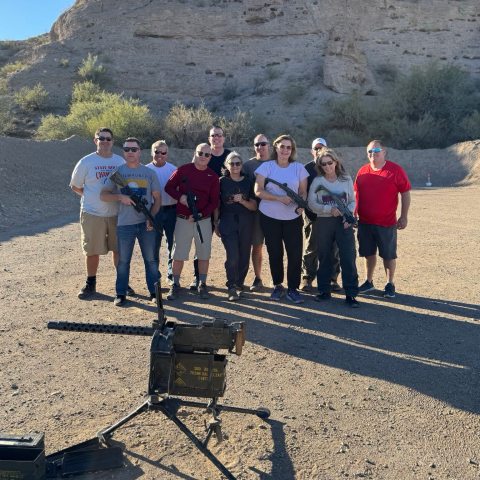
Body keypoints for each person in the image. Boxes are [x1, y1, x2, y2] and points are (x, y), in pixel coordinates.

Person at [100, 137, 161, 307]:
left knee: (150, 260)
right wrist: (120, 196)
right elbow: (103, 195)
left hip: (146, 224)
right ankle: (120, 293)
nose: (130, 152)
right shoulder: (118, 173)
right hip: (125, 224)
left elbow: (157, 199)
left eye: (134, 149)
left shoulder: (149, 173)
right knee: (123, 261)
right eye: (127, 149)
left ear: (140, 151)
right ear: (123, 152)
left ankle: (154, 293)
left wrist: (151, 218)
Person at [69, 127, 126, 299]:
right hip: (92, 213)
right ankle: (90, 283)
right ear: (95, 140)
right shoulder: (86, 162)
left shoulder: (119, 161)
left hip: (116, 213)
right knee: (92, 250)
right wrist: (92, 197)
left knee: (119, 250)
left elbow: (124, 186)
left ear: (113, 141)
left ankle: (122, 283)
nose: (105, 141)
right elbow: (75, 186)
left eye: (108, 138)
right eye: (101, 138)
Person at [254, 134, 308, 304]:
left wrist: (300, 205)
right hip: (269, 217)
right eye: (282, 146)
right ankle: (278, 285)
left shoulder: (299, 168)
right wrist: (278, 198)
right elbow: (258, 191)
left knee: (294, 253)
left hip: (292, 217)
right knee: (274, 252)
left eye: (288, 147)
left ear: (292, 150)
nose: (285, 150)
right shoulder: (266, 167)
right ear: (276, 147)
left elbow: (303, 192)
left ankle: (293, 288)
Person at [354, 139, 411, 298]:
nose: (373, 154)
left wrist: (404, 216)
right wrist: (354, 213)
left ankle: (389, 283)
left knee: (388, 255)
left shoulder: (395, 170)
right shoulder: (363, 171)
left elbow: (405, 193)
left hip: (386, 223)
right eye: (370, 152)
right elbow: (355, 194)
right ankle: (368, 281)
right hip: (365, 222)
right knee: (368, 253)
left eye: (376, 151)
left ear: (384, 152)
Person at [164, 143, 220, 300]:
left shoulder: (213, 176)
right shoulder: (183, 170)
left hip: (203, 220)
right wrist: (180, 198)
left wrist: (201, 214)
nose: (203, 157)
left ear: (210, 157)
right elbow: (168, 187)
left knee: (204, 254)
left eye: (207, 155)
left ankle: (202, 284)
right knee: (179, 254)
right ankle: (175, 285)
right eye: (200, 153)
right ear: (195, 153)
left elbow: (214, 201)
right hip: (182, 220)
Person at [308, 149, 360, 307]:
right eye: (323, 164)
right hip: (324, 222)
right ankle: (324, 291)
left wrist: (347, 215)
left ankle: (351, 294)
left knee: (348, 257)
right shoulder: (318, 181)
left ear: (336, 162)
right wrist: (328, 210)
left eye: (330, 163)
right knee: (324, 257)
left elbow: (352, 200)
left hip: (343, 223)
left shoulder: (346, 179)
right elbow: (311, 203)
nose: (327, 166)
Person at [189, 125, 231, 290]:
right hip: (205, 207)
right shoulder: (202, 155)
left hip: (226, 206)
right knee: (201, 242)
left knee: (230, 244)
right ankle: (197, 278)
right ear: (209, 138)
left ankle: (232, 281)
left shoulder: (229, 156)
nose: (216, 138)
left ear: (224, 138)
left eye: (219, 135)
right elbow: (192, 175)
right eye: (213, 135)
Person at [216, 152, 257, 301]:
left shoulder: (248, 182)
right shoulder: (221, 182)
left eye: (237, 163)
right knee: (232, 255)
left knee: (244, 255)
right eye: (231, 163)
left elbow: (254, 206)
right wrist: (216, 223)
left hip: (246, 220)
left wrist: (242, 201)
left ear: (241, 165)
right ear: (226, 165)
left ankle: (240, 284)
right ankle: (231, 285)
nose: (234, 166)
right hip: (227, 220)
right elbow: (217, 205)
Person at [302, 137, 341, 293]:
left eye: (321, 147)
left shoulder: (334, 166)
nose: (319, 150)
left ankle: (332, 279)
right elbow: (303, 192)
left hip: (332, 215)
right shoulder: (306, 169)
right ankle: (307, 278)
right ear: (312, 151)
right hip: (313, 215)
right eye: (316, 148)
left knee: (333, 248)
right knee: (311, 247)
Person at [146, 140, 177, 285]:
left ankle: (171, 275)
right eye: (157, 152)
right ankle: (155, 276)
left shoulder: (173, 169)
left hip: (171, 210)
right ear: (152, 152)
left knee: (173, 244)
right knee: (154, 245)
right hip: (154, 211)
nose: (159, 155)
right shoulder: (145, 170)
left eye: (163, 152)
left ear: (167, 154)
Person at [242, 133, 270, 292]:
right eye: (257, 144)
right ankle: (258, 277)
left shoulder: (276, 163)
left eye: (263, 144)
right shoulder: (248, 166)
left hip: (275, 210)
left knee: (275, 246)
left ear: (269, 145)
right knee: (257, 245)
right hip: (256, 211)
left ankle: (277, 280)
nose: (260, 147)